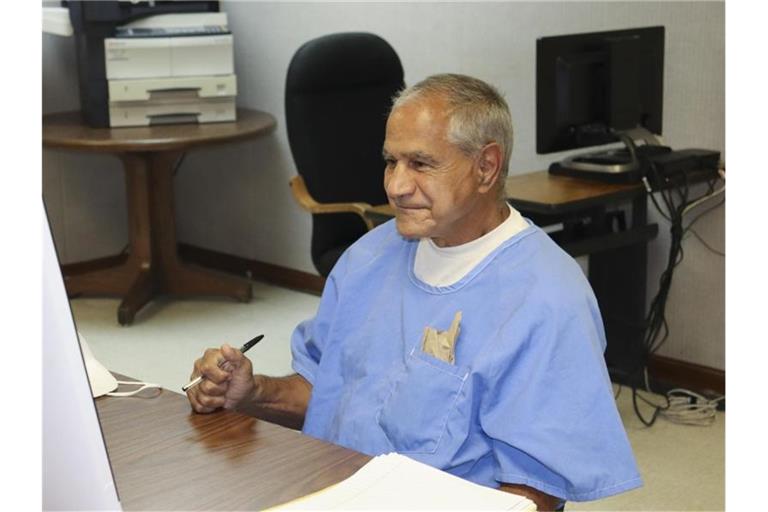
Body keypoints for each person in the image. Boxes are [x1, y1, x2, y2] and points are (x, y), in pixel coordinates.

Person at [187, 74, 642, 511]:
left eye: (420, 164)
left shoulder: (547, 299)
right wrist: (251, 392)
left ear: (486, 167)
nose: (395, 187)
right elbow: (324, 393)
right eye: (391, 162)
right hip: (328, 490)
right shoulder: (370, 256)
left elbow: (531, 495)